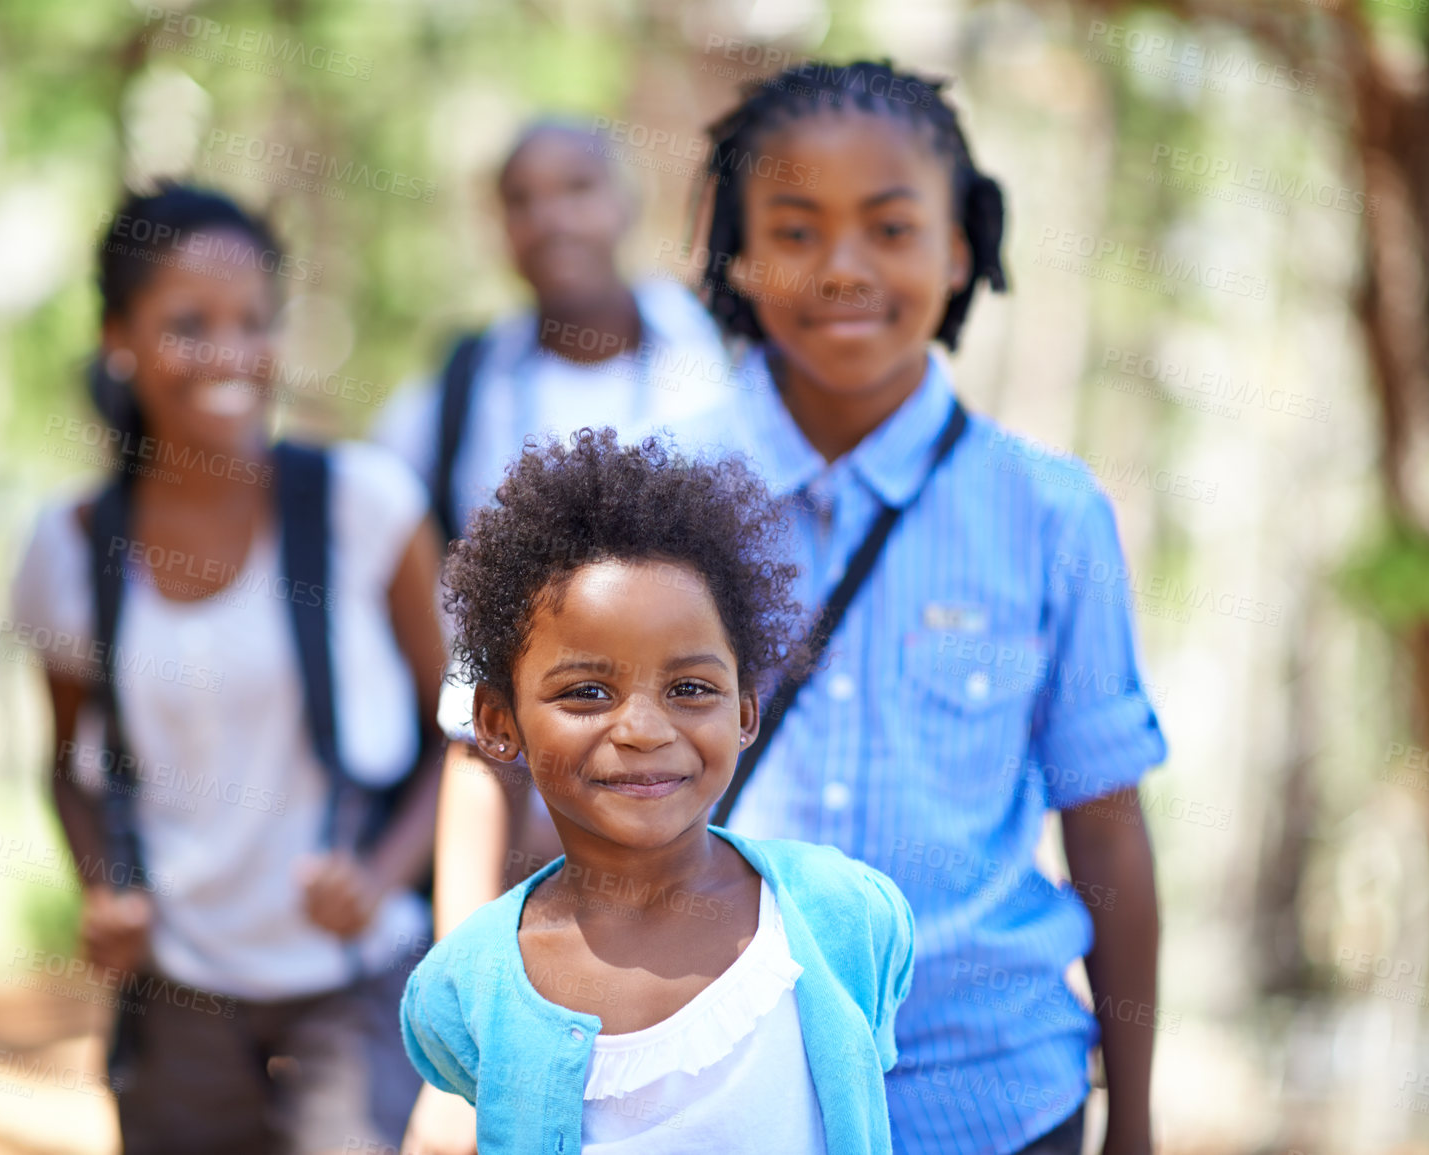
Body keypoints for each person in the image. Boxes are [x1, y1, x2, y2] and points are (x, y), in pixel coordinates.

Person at [418, 60, 1170, 1155]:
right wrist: (465, 1055)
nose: (844, 269)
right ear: (735, 249)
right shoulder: (641, 485)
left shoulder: (1052, 515)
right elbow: (479, 754)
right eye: (798, 228)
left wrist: (1135, 1122)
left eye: (892, 227)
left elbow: (1107, 823)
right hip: (702, 1102)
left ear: (962, 247)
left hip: (994, 1102)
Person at [10, 183, 446, 1154]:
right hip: (178, 990)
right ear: (119, 337)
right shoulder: (70, 547)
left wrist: (382, 874)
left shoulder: (365, 506)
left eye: (254, 322)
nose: (231, 354)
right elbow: (65, 763)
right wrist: (101, 887)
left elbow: (464, 729)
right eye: (189, 324)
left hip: (348, 980)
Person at [400, 429, 916, 1155]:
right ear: (497, 720)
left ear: (744, 713)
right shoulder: (466, 987)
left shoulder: (846, 917)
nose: (643, 728)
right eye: (586, 691)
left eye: (689, 688)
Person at [377, 119, 738, 1151]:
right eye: (522, 198)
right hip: (504, 831)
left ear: (625, 204)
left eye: (577, 187)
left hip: (684, 839)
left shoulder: (719, 377)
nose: (551, 219)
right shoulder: (455, 392)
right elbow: (388, 565)